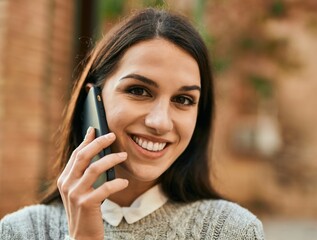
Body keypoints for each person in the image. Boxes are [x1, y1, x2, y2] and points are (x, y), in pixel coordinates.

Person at [0, 8, 264, 239]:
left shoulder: (232, 231)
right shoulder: (19, 232)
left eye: (183, 99)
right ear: (94, 100)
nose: (160, 122)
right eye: (139, 91)